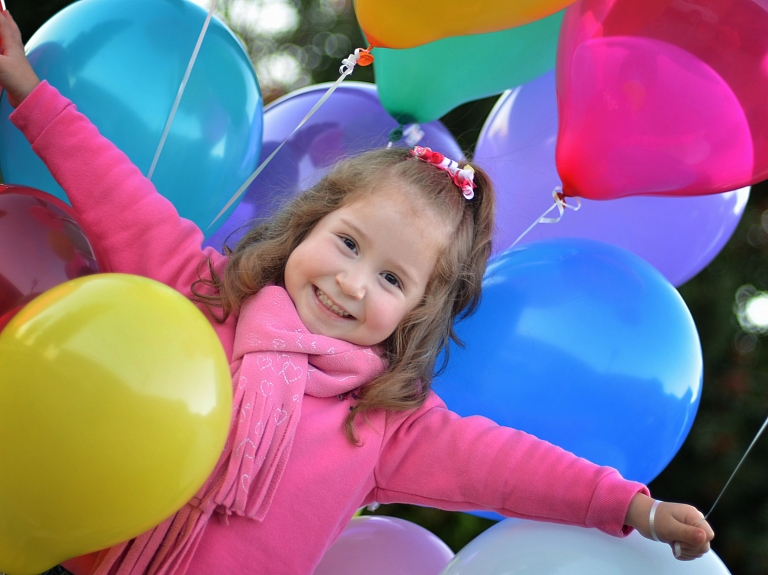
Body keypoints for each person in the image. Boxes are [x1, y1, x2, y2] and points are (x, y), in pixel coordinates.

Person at [0, 9, 714, 575]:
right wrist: (28, 89)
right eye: (347, 243)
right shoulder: (209, 291)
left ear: (416, 312)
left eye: (392, 279)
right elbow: (114, 190)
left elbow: (515, 468)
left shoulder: (384, 426)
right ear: (308, 225)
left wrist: (634, 508)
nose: (350, 281)